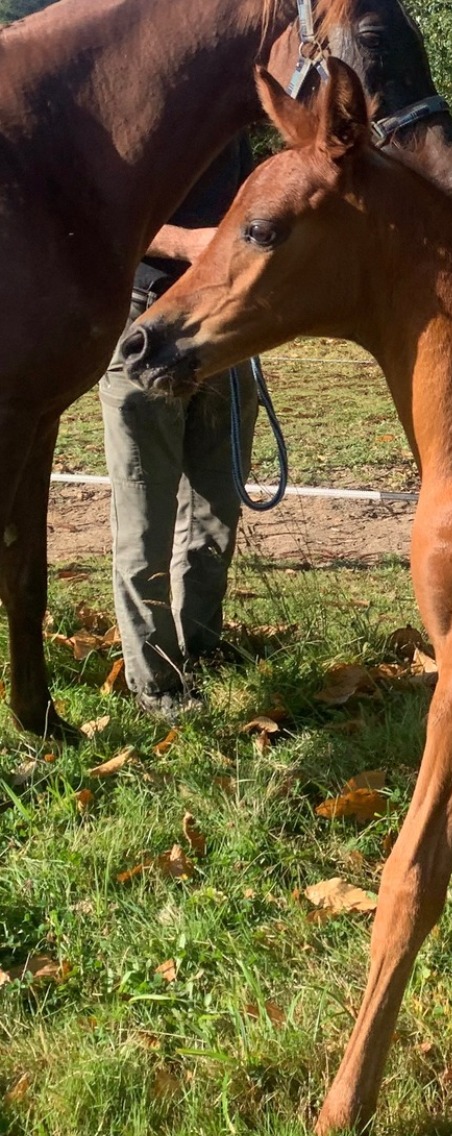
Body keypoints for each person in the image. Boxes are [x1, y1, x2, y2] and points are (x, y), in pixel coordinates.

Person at [99, 137, 258, 722]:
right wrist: (186, 242)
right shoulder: (140, 128)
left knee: (218, 509)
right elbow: (104, 216)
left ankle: (203, 646)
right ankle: (156, 681)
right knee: (145, 524)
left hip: (219, 340)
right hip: (144, 332)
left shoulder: (232, 133)